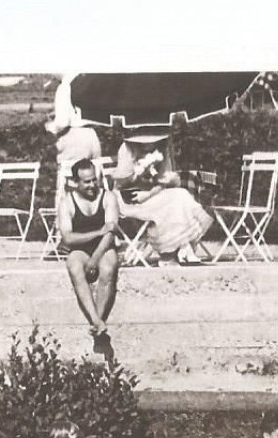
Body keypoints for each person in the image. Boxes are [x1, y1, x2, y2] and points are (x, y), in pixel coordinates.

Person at [111, 133, 212, 265]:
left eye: (152, 141)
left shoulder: (161, 149)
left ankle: (177, 249)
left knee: (180, 195)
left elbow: (163, 182)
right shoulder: (127, 149)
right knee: (173, 202)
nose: (148, 144)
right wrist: (137, 174)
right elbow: (121, 182)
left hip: (151, 194)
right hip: (129, 199)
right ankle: (173, 252)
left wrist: (149, 192)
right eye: (145, 141)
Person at [56, 158, 119, 349]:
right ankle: (96, 320)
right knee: (74, 266)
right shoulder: (67, 202)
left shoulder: (108, 197)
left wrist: (95, 258)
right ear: (76, 182)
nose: (92, 185)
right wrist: (97, 232)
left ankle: (97, 323)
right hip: (81, 250)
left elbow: (110, 233)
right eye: (87, 182)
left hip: (103, 248)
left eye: (94, 180)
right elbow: (67, 238)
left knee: (108, 268)